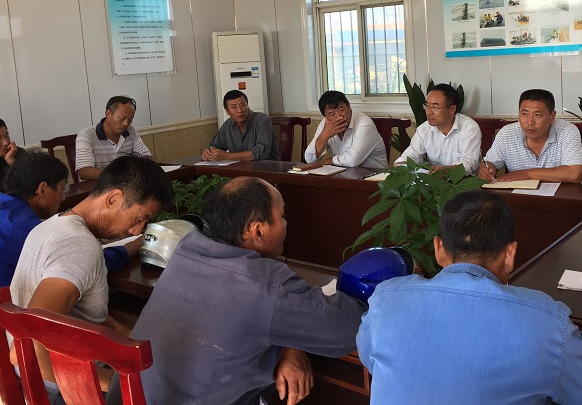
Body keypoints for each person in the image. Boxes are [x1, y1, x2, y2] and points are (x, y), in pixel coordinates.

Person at [106, 177, 366, 405]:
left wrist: (290, 343)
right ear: (258, 230)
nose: (286, 223)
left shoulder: (185, 252)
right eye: (282, 216)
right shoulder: (266, 283)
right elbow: (349, 329)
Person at [357, 189, 582, 404]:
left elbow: (369, 358)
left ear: (438, 249)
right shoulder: (546, 320)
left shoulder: (385, 299)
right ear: (510, 254)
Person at [10, 156, 173, 400]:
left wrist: (121, 331)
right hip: (58, 389)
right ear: (113, 198)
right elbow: (28, 346)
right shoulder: (80, 246)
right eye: (140, 219)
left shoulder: (50, 225)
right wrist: (106, 380)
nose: (137, 230)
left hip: (37, 377)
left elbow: (79, 311)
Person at [0, 152, 143, 287]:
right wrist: (134, 245)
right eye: (62, 189)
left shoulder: (6, 205)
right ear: (42, 189)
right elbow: (84, 265)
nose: (63, 198)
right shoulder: (23, 226)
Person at [479, 89, 582, 183]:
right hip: (519, 196)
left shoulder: (567, 131)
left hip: (557, 196)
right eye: (524, 114)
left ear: (552, 116)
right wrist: (487, 169)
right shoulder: (507, 133)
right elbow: (489, 162)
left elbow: (574, 174)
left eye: (537, 115)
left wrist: (527, 174)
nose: (530, 122)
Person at [394, 83, 481, 174]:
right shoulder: (424, 129)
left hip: (464, 180)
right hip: (434, 179)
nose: (429, 112)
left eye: (435, 107)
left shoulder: (469, 128)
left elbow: (469, 162)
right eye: (427, 106)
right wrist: (401, 164)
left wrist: (446, 170)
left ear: (452, 109)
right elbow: (411, 155)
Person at [76, 96, 152, 181]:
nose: (126, 123)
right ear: (108, 113)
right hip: (98, 186)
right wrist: (119, 175)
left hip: (126, 184)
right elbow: (84, 171)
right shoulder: (86, 135)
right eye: (121, 118)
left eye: (130, 119)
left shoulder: (131, 131)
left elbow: (146, 157)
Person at [304, 90, 387, 168]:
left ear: (349, 106)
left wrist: (331, 160)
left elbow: (353, 160)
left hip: (375, 176)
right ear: (325, 117)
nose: (339, 116)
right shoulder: (326, 124)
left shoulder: (365, 123)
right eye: (332, 114)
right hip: (345, 175)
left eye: (341, 109)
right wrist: (325, 135)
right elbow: (310, 159)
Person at [201, 90, 280, 162]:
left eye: (242, 105)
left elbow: (262, 152)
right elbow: (214, 146)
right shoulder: (228, 125)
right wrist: (207, 153)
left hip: (267, 169)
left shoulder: (262, 119)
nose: (239, 110)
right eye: (234, 107)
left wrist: (227, 156)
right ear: (227, 111)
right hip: (241, 169)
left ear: (247, 106)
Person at [0, 118, 26, 183]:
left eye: (6, 136)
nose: (6, 143)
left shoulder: (17, 152)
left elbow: (32, 182)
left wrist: (11, 161)